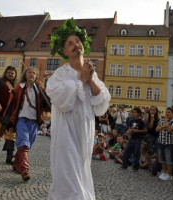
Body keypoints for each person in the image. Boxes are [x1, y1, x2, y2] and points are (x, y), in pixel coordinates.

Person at [46, 18, 111, 200]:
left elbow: (102, 102)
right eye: (70, 43)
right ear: (65, 51)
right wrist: (81, 80)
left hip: (84, 130)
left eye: (78, 41)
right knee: (67, 174)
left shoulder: (92, 73)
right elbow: (61, 100)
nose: (76, 44)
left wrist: (89, 79)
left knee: (81, 172)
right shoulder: (59, 75)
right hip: (65, 132)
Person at [9, 67, 50, 181]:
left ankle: (16, 164)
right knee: (23, 144)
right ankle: (24, 170)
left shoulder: (40, 89)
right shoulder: (19, 87)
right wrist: (10, 119)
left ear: (36, 76)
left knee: (27, 146)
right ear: (25, 75)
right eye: (29, 72)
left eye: (34, 73)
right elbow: (12, 103)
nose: (31, 74)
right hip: (21, 119)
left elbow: (46, 104)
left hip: (34, 121)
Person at [156, 107, 173, 181]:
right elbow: (157, 129)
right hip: (161, 142)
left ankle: (169, 174)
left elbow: (169, 130)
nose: (167, 114)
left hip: (169, 143)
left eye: (169, 112)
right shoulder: (161, 120)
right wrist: (163, 125)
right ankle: (164, 172)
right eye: (166, 112)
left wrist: (166, 124)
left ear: (172, 113)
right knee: (162, 159)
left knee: (169, 160)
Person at [145, 105, 160, 171]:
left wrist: (157, 117)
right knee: (149, 151)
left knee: (157, 152)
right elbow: (150, 127)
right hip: (150, 135)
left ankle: (155, 166)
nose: (152, 111)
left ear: (156, 111)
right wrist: (152, 119)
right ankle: (149, 166)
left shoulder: (158, 117)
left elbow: (160, 125)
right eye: (151, 110)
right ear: (149, 110)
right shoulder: (147, 117)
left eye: (154, 110)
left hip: (157, 135)